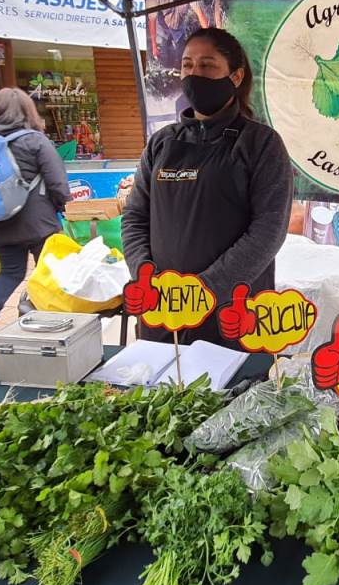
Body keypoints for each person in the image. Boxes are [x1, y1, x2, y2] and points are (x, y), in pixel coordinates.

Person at [121, 28, 294, 347]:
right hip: (163, 308)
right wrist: (145, 276)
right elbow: (134, 217)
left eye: (207, 65)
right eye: (187, 65)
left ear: (236, 76)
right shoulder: (162, 143)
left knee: (229, 378)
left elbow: (268, 231)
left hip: (231, 312)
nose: (194, 74)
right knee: (164, 378)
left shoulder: (260, 144)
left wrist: (204, 291)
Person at [0, 88, 71, 326]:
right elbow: (57, 182)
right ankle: (49, 318)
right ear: (28, 112)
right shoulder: (35, 141)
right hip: (39, 225)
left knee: (10, 272)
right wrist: (62, 207)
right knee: (50, 273)